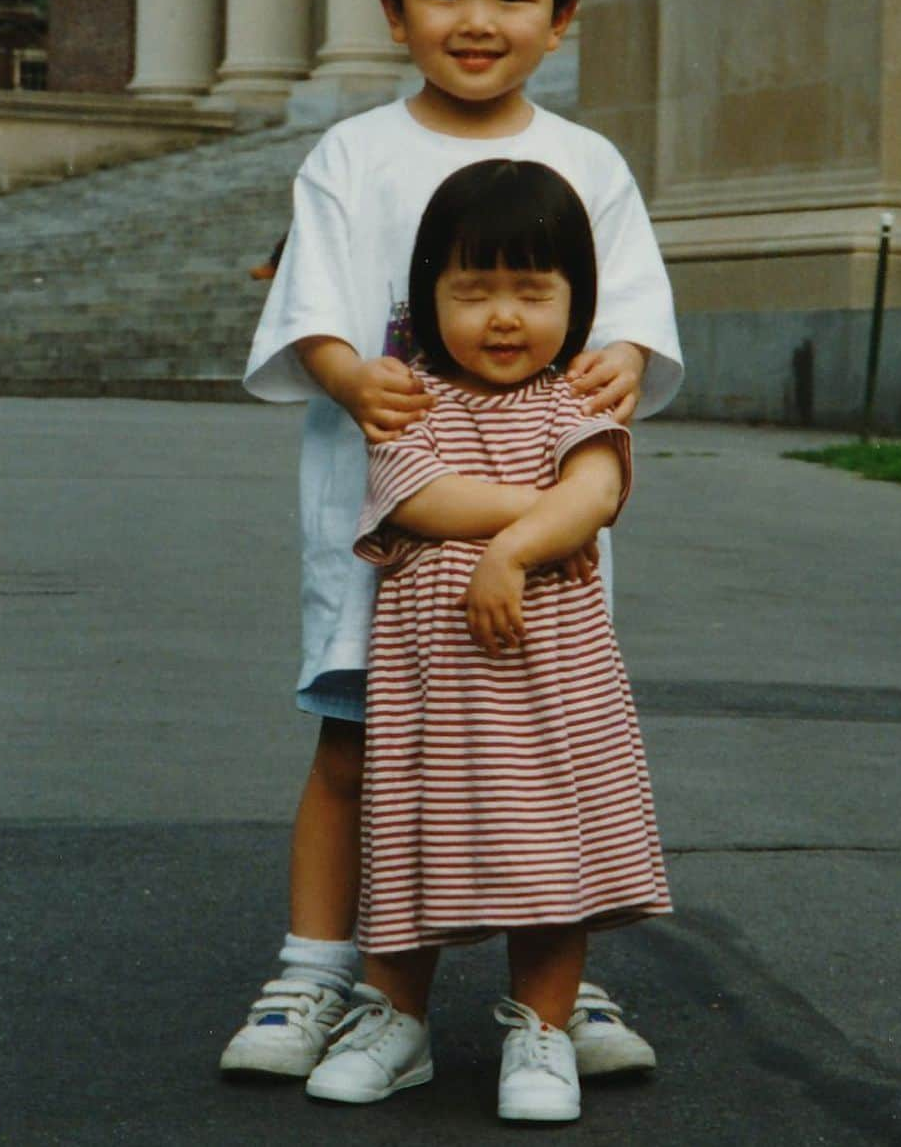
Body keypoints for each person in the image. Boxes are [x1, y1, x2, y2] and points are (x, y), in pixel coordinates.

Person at [221, 0, 683, 1084]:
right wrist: (343, 370)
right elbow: (315, 308)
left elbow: (627, 318)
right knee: (356, 744)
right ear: (391, 9)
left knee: (551, 747)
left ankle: (558, 991)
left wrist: (624, 357)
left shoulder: (590, 165)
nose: (477, 22)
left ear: (563, 15)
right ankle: (316, 972)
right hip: (388, 518)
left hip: (546, 534)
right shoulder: (353, 156)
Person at [302, 160, 671, 1123]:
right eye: (473, 291)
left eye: (531, 291)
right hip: (434, 689)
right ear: (427, 299)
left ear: (577, 302)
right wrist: (537, 521)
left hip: (552, 687)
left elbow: (599, 491)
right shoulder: (414, 399)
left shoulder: (575, 404)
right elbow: (426, 497)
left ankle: (543, 1033)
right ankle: (397, 1021)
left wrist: (511, 551)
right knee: (408, 842)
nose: (502, 316)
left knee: (554, 852)